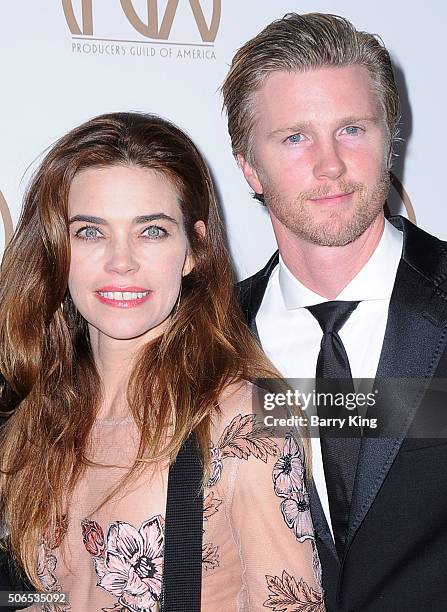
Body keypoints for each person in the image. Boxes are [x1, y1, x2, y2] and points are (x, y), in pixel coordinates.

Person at [222, 12, 447, 612]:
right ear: (249, 167)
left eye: (352, 129)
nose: (330, 165)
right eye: (295, 137)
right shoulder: (208, 339)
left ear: (390, 137)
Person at [0, 112, 324, 611]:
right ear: (57, 249)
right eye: (90, 232)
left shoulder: (246, 420)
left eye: (151, 231)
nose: (120, 260)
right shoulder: (31, 417)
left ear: (193, 250)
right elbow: (36, 592)